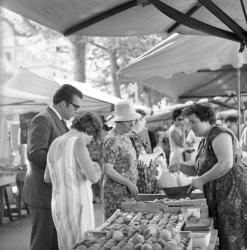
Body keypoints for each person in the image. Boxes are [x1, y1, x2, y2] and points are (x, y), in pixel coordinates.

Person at [23, 84, 83, 250]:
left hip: (54, 193)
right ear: (64, 104)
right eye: (75, 106)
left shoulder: (59, 122)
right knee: (42, 243)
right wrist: (66, 167)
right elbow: (35, 154)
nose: (76, 111)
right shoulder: (43, 119)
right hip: (43, 194)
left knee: (55, 242)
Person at [179, 103, 247, 250]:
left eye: (193, 122)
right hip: (221, 193)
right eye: (188, 122)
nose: (190, 127)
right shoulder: (205, 139)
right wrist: (179, 166)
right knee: (225, 235)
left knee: (234, 235)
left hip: (232, 192)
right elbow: (200, 169)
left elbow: (226, 163)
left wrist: (201, 180)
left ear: (206, 119)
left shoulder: (220, 134)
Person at [44, 114, 102, 250]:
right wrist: (97, 169)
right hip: (77, 205)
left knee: (65, 245)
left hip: (58, 204)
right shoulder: (78, 142)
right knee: (82, 244)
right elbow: (93, 177)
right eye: (92, 138)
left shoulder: (55, 142)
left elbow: (47, 177)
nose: (90, 142)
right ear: (89, 131)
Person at [102, 100, 139, 219]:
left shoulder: (125, 135)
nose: (132, 124)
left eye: (133, 120)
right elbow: (108, 169)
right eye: (129, 121)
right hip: (116, 194)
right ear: (119, 121)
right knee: (117, 229)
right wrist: (128, 183)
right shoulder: (112, 139)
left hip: (127, 192)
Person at [77, 112, 104, 203]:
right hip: (86, 160)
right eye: (88, 126)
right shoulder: (80, 136)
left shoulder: (98, 137)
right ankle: (92, 197)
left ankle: (98, 196)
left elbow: (101, 149)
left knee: (97, 181)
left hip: (97, 161)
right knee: (88, 181)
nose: (90, 128)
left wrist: (98, 154)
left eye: (92, 126)